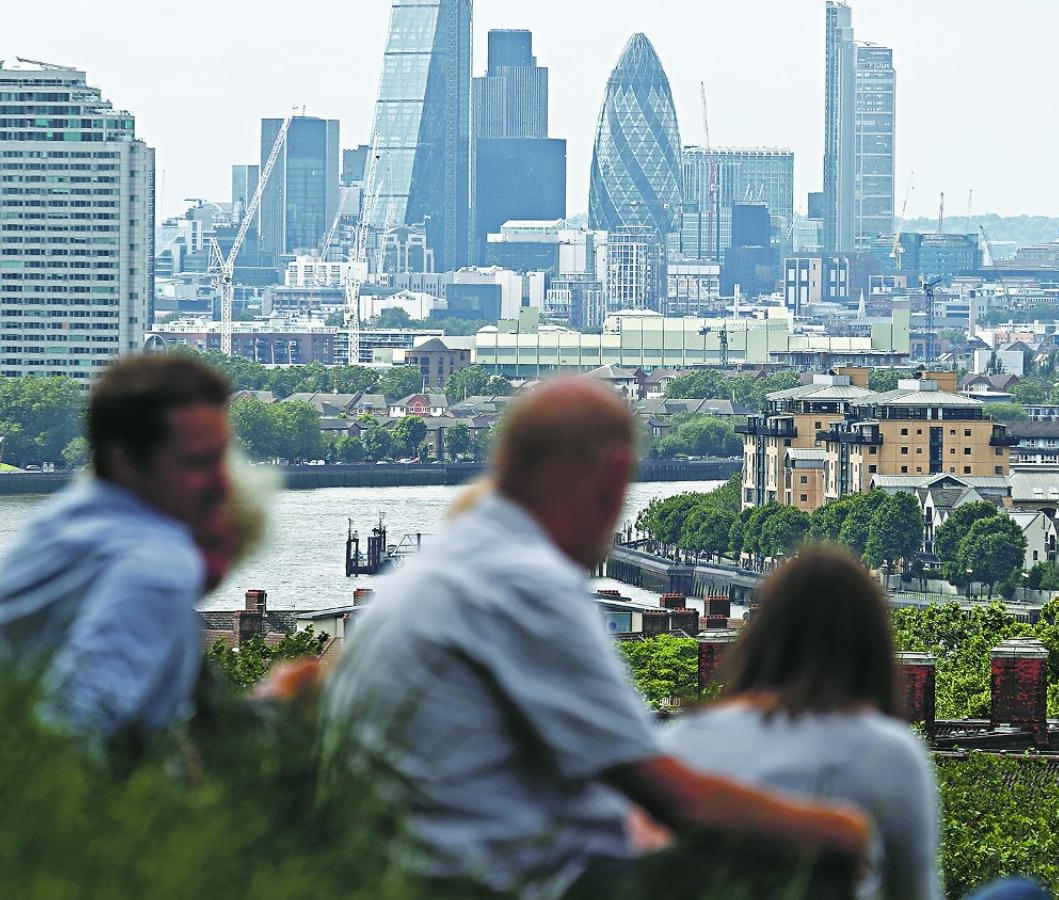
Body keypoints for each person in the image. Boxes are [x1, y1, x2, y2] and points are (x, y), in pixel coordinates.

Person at [322, 376, 870, 900]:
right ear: (613, 475)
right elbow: (675, 797)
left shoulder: (434, 574)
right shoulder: (528, 585)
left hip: (422, 873)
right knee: (804, 867)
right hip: (515, 884)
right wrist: (840, 828)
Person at [659, 545, 1047, 900]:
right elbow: (915, 890)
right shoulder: (890, 752)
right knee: (1021, 893)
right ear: (871, 644)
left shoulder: (682, 740)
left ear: (762, 636)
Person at [0, 355, 236, 741]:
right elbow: (74, 731)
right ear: (123, 460)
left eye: (221, 458)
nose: (222, 485)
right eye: (197, 462)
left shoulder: (57, 523)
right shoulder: (157, 561)